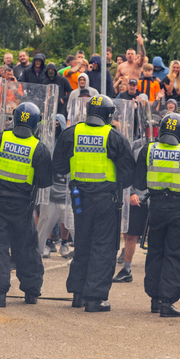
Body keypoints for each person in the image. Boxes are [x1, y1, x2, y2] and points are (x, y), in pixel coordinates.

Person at [54, 96, 134, 312]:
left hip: (79, 199)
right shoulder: (114, 137)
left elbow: (59, 166)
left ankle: (78, 294)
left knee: (82, 244)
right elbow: (128, 176)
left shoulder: (71, 133)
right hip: (105, 201)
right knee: (103, 247)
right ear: (109, 115)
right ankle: (95, 298)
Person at [135, 113, 180, 317]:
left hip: (156, 207)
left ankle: (155, 299)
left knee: (155, 252)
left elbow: (140, 183)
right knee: (176, 254)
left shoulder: (149, 149)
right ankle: (168, 302)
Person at [0, 102, 53, 307]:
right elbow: (46, 181)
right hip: (23, 206)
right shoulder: (39, 148)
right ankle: (31, 292)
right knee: (27, 248)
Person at [113, 138, 149, 284]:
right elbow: (128, 169)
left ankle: (155, 271)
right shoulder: (137, 145)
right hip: (138, 197)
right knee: (130, 235)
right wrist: (131, 192)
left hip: (158, 198)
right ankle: (126, 270)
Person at [38, 115, 73, 259]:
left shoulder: (70, 143)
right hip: (51, 193)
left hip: (68, 195)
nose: (56, 125)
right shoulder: (48, 144)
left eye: (59, 123)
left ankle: (65, 244)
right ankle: (42, 247)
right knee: (43, 227)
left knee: (73, 225)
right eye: (54, 123)